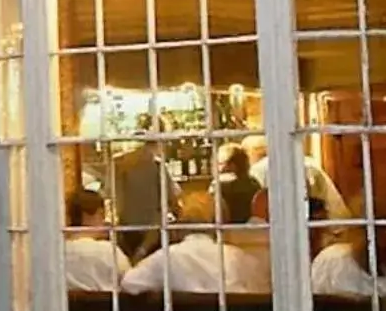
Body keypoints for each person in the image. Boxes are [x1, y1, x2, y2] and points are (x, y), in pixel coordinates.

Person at [121, 191, 271, 298]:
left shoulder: (167, 257)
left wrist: (144, 249)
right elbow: (261, 293)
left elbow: (129, 284)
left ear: (180, 225)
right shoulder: (239, 259)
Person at [108, 123, 178, 260]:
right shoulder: (156, 166)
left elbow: (112, 199)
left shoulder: (117, 167)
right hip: (153, 232)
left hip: (126, 231)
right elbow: (171, 200)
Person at [243, 135, 350, 220]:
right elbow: (337, 209)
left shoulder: (257, 171)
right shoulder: (311, 164)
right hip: (326, 228)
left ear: (252, 153)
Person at [62, 188, 128, 293]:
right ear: (96, 213)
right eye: (102, 215)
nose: (104, 221)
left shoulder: (56, 254)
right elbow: (130, 283)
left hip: (65, 309)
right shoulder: (110, 251)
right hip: (107, 308)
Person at [214, 144, 263, 226]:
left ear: (232, 165)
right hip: (253, 228)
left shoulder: (220, 185)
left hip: (227, 230)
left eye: (220, 163)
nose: (218, 168)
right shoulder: (254, 183)